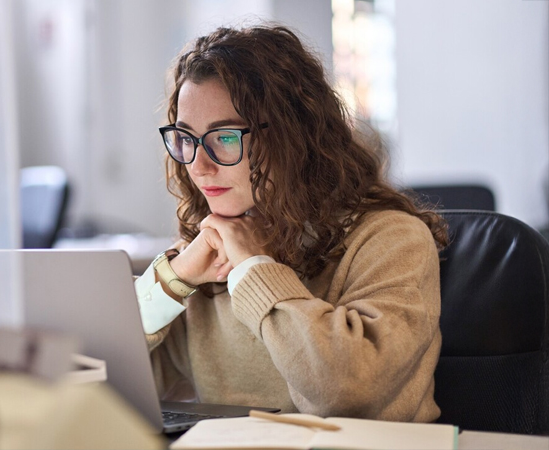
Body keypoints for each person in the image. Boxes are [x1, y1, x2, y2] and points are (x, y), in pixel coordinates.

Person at [134, 24, 448, 423]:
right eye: (186, 138)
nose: (199, 165)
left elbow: (345, 393)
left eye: (225, 137)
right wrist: (172, 278)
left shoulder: (391, 240)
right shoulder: (207, 251)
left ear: (292, 136)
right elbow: (99, 372)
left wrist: (253, 269)